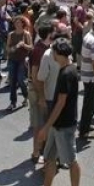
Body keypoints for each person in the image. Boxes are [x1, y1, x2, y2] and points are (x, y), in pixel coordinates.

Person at [36, 41, 81, 186]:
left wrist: (46, 127)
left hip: (64, 125)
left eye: (53, 52)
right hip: (57, 125)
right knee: (49, 159)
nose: (52, 54)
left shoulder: (66, 73)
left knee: (72, 161)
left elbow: (61, 102)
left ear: (58, 53)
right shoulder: (69, 69)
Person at [29, 24, 54, 164]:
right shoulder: (39, 50)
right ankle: (36, 152)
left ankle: (40, 151)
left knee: (43, 123)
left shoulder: (44, 48)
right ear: (49, 35)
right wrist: (41, 97)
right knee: (39, 124)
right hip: (38, 91)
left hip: (42, 90)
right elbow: (35, 75)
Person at [77, 16, 94, 140]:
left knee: (89, 103)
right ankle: (84, 131)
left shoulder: (89, 35)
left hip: (87, 75)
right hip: (92, 78)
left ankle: (86, 125)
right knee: (90, 105)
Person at [5, 16, 32, 110]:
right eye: (15, 22)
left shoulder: (26, 34)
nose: (17, 24)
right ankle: (13, 102)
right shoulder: (11, 34)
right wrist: (11, 49)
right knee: (12, 81)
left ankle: (26, 96)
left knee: (21, 80)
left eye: (19, 22)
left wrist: (23, 45)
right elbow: (7, 48)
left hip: (22, 59)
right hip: (12, 59)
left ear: (23, 23)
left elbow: (31, 47)